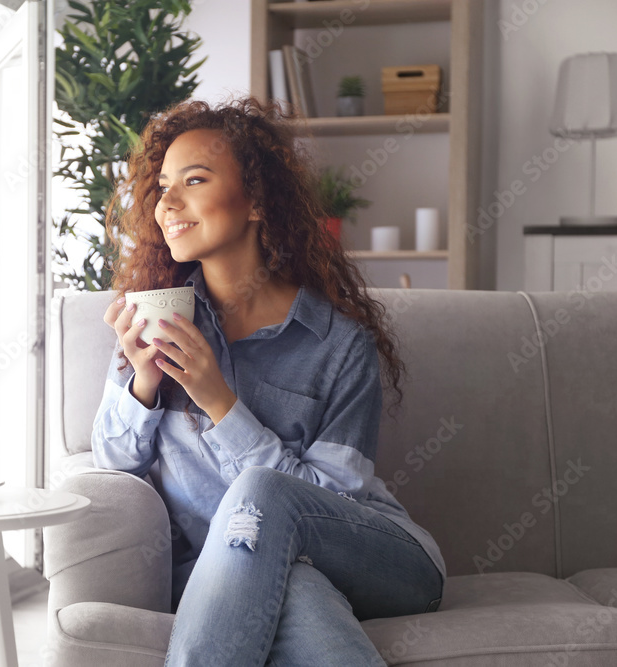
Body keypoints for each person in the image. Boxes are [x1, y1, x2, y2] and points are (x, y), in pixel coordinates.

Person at [91, 97, 446, 666]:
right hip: (237, 573)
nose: (166, 203)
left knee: (261, 494)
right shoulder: (162, 319)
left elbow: (329, 503)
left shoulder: (338, 343)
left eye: (194, 180)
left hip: (381, 559)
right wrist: (142, 383)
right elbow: (111, 471)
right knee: (295, 590)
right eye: (161, 186)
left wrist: (220, 403)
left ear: (256, 200)